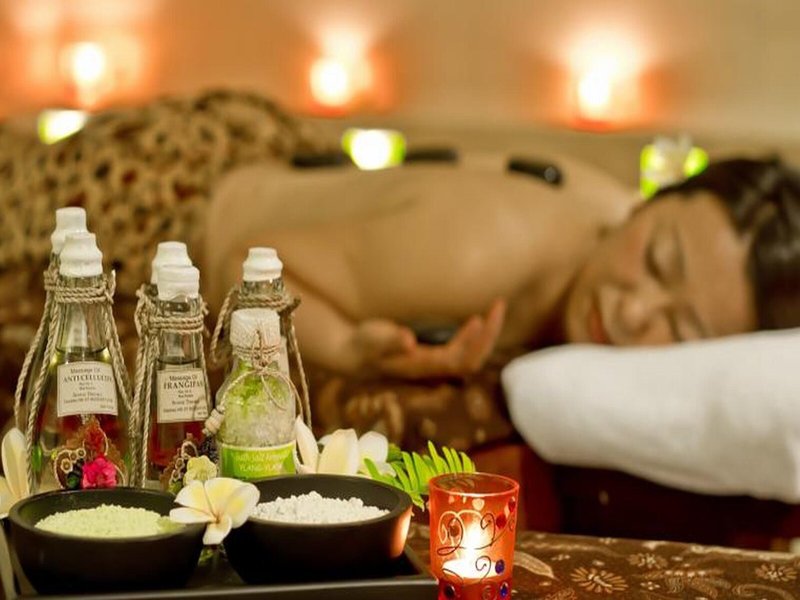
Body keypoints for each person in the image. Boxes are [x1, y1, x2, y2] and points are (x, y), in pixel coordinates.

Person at [205, 156, 800, 381]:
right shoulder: (474, 252)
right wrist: (345, 347)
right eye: (656, 261)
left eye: (683, 330)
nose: (636, 310)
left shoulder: (637, 228)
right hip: (202, 200)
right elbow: (245, 266)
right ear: (646, 202)